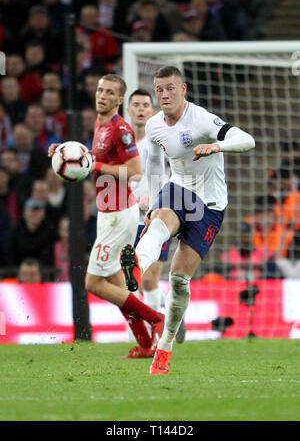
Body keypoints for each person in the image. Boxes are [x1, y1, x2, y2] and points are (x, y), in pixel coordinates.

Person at [120, 65, 255, 374]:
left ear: (183, 90)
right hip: (178, 190)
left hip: (211, 205)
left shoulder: (202, 119)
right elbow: (154, 167)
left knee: (179, 281)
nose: (165, 94)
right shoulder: (154, 126)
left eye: (170, 88)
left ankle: (164, 349)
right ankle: (136, 266)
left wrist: (216, 146)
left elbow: (248, 140)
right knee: (159, 222)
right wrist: (152, 202)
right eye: (159, 89)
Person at [48, 73, 165, 359]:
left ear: (119, 99)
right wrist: (64, 153)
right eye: (100, 90)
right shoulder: (100, 123)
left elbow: (135, 172)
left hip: (118, 215)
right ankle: (146, 344)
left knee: (92, 283)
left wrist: (92, 164)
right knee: (115, 284)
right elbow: (98, 159)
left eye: (110, 92)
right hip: (106, 211)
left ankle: (155, 318)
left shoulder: (121, 129)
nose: (102, 95)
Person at [127, 88, 186, 350]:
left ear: (152, 111)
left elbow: (171, 174)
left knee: (147, 279)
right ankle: (166, 303)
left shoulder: (160, 138)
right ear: (128, 110)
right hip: (126, 219)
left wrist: (156, 200)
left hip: (156, 216)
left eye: (145, 105)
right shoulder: (121, 142)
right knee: (130, 280)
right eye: (136, 104)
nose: (140, 109)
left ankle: (151, 339)